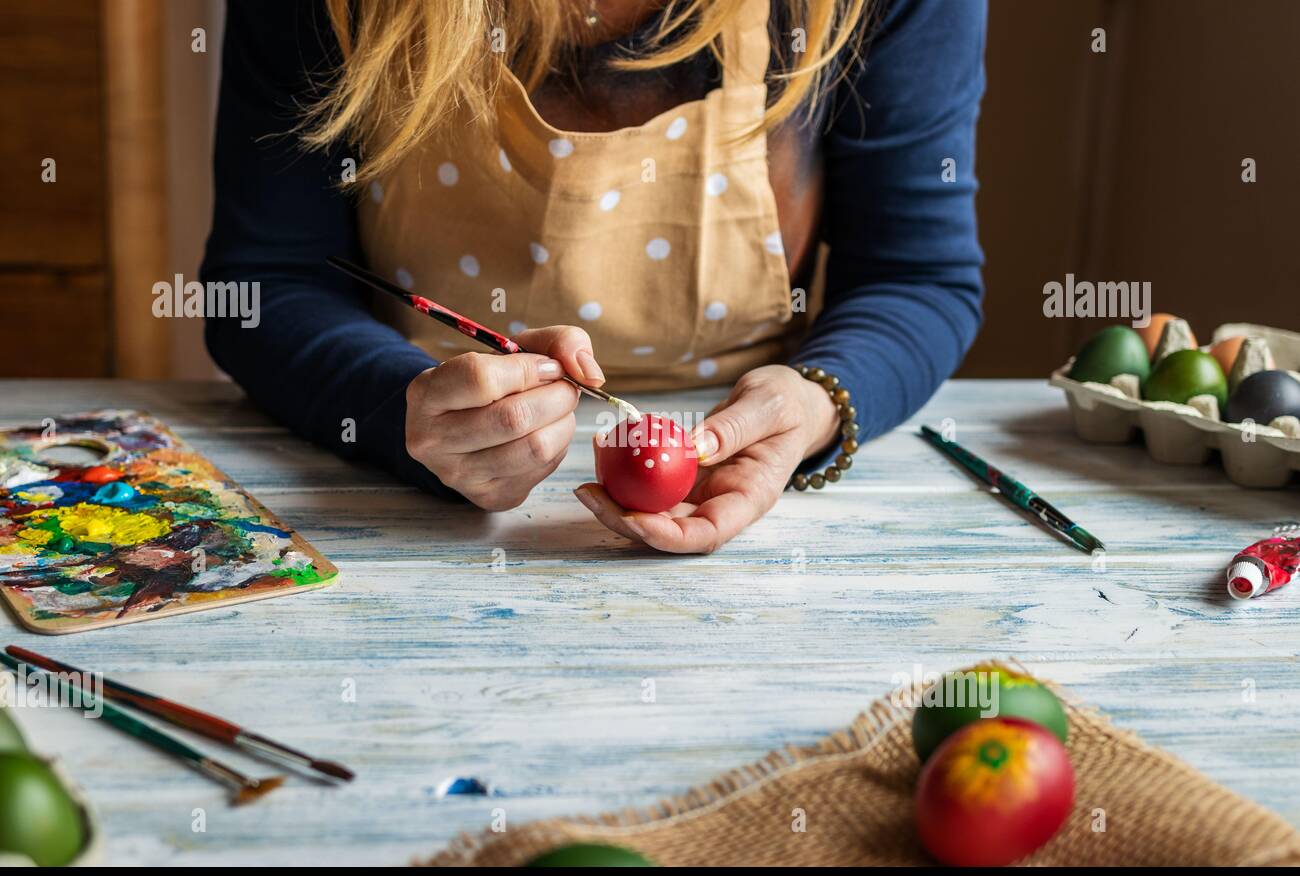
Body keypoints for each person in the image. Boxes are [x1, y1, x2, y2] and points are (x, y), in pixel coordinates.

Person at [201, 0, 985, 553]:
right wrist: (400, 408)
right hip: (406, 508)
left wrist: (816, 403)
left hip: (765, 523)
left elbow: (917, 278)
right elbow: (263, 282)